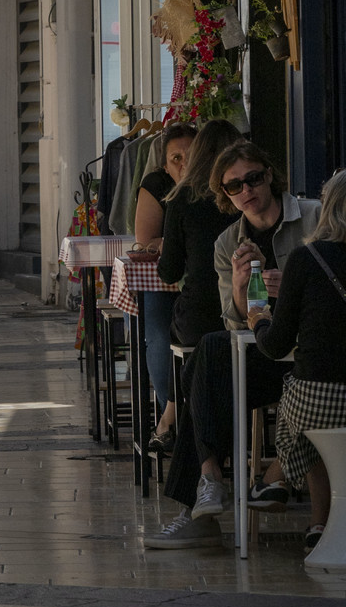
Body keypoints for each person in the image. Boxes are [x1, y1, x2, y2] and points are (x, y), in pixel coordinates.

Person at [147, 133, 320, 549]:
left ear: (270, 177)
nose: (247, 191)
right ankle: (210, 480)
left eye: (254, 179)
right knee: (209, 354)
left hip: (318, 355)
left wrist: (293, 286)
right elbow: (235, 323)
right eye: (234, 186)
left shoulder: (314, 218)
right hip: (268, 351)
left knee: (197, 373)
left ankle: (200, 508)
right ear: (223, 193)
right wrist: (243, 288)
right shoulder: (228, 243)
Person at [252, 170, 346, 551]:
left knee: (300, 412)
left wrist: (259, 322)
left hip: (318, 402)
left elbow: (275, 346)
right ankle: (319, 523)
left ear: (328, 208)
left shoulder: (306, 259)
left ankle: (275, 479)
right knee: (310, 417)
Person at [132, 122, 191, 448]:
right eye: (176, 158)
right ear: (164, 164)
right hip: (164, 276)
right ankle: (169, 404)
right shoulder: (157, 184)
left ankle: (172, 416)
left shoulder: (219, 184)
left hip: (202, 280)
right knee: (156, 328)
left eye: (190, 156)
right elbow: (145, 239)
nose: (183, 164)